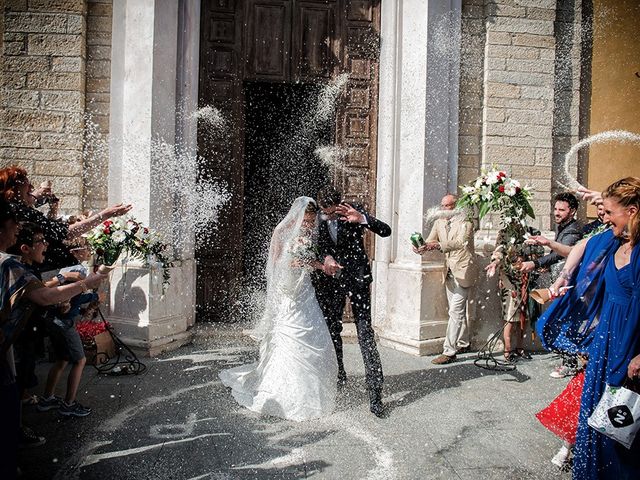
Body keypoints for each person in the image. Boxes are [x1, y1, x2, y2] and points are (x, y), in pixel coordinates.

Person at [538, 177, 640, 479]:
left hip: (632, 341)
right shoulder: (611, 240)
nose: (603, 218)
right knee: (596, 411)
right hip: (606, 340)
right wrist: (562, 278)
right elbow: (581, 247)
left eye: (609, 212)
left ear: (632, 211)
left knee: (625, 416)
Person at [0, 201, 107, 479]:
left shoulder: (16, 265)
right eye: (13, 230)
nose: (44, 246)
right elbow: (44, 296)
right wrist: (88, 283)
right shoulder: (8, 264)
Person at [219, 197, 338, 422]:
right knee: (288, 336)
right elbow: (276, 264)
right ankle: (281, 390)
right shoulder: (281, 232)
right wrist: (296, 262)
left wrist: (322, 266)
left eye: (312, 222)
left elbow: (309, 259)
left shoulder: (309, 235)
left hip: (304, 290)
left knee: (314, 333)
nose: (310, 226)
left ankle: (314, 390)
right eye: (307, 222)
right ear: (299, 217)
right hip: (288, 291)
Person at [312, 187, 391, 417]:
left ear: (339, 205)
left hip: (357, 280)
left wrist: (363, 219)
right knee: (332, 330)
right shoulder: (319, 217)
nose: (329, 216)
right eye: (325, 212)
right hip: (332, 283)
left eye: (332, 213)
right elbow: (319, 246)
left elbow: (386, 231)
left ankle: (375, 393)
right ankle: (339, 377)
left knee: (365, 333)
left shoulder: (355, 212)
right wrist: (325, 257)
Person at [0, 166, 131, 270]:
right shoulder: (18, 211)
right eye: (26, 184)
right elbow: (67, 232)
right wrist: (105, 214)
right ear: (13, 189)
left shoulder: (18, 209)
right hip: (39, 271)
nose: (31, 187)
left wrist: (44, 201)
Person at [38, 236, 101, 417]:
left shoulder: (66, 269)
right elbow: (73, 296)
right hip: (65, 323)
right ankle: (69, 403)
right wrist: (94, 297)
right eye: (85, 247)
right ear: (75, 252)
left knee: (62, 359)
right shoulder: (78, 270)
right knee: (80, 360)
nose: (89, 250)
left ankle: (47, 398)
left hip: (54, 321)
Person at [414, 194, 477, 364]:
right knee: (456, 310)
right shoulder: (439, 222)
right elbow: (430, 241)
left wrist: (437, 246)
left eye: (447, 206)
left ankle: (449, 352)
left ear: (456, 206)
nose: (443, 209)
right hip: (448, 270)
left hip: (464, 271)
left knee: (455, 311)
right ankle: (463, 343)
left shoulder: (467, 221)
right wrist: (421, 247)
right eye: (442, 205)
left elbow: (460, 242)